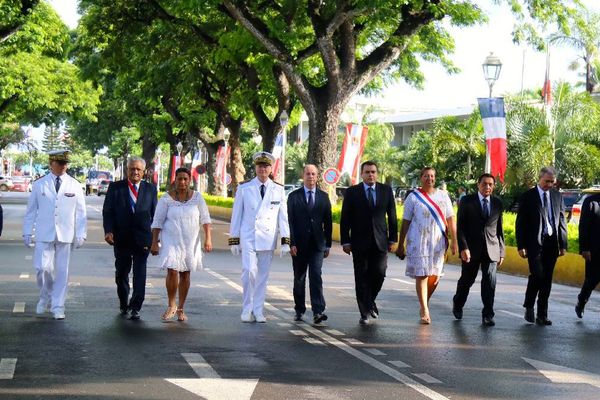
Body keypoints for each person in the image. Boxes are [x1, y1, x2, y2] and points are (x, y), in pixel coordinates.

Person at [23, 150, 87, 320]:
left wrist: (81, 233)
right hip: (44, 232)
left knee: (62, 272)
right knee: (42, 269)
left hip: (65, 233)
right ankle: (46, 296)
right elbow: (31, 211)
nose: (63, 166)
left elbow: (81, 212)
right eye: (60, 163)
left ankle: (58, 305)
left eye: (65, 163)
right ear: (51, 163)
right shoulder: (39, 184)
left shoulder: (74, 185)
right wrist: (27, 231)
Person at [229, 151, 290, 323]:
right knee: (249, 271)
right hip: (249, 235)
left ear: (271, 169)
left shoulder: (278, 189)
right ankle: (246, 309)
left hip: (268, 237)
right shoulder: (244, 188)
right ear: (255, 168)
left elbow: (283, 217)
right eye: (260, 166)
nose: (263, 169)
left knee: (263, 276)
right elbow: (236, 214)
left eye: (266, 166)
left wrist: (285, 240)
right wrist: (234, 239)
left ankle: (258, 310)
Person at [396, 167, 457, 324]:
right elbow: (406, 221)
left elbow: (451, 219)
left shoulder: (443, 196)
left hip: (438, 242)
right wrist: (401, 243)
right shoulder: (413, 197)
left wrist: (454, 241)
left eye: (432, 176)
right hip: (418, 241)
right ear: (421, 178)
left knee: (434, 277)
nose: (429, 178)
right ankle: (424, 308)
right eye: (426, 176)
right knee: (422, 274)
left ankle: (425, 301)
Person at [150, 167, 212, 322]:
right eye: (179, 179)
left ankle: (181, 308)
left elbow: (205, 219)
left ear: (189, 180)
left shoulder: (197, 198)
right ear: (175, 180)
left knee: (185, 273)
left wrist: (208, 239)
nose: (182, 182)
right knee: (172, 271)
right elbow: (157, 222)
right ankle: (171, 305)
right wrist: (154, 243)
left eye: (185, 179)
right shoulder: (166, 198)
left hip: (190, 241)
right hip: (171, 240)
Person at [340, 161, 397, 325]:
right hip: (359, 242)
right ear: (362, 174)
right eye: (367, 172)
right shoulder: (352, 192)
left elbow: (392, 216)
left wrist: (393, 238)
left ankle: (370, 300)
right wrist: (345, 241)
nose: (370, 174)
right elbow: (345, 219)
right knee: (361, 277)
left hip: (380, 242)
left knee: (379, 273)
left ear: (377, 174)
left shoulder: (385, 190)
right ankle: (364, 311)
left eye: (373, 172)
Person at [102, 156, 157, 320]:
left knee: (140, 273)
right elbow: (108, 211)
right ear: (127, 170)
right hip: (121, 238)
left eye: (138, 169)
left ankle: (136, 306)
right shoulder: (115, 188)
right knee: (121, 273)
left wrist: (156, 239)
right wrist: (108, 231)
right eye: (132, 169)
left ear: (143, 171)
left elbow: (156, 215)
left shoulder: (150, 189)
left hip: (143, 238)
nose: (135, 172)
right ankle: (123, 302)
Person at [516, 166, 567, 326]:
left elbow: (561, 221)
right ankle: (529, 305)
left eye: (552, 182)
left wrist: (563, 244)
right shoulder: (528, 196)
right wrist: (521, 245)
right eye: (547, 181)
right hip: (534, 244)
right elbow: (521, 223)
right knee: (537, 275)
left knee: (547, 280)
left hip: (552, 244)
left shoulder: (557, 196)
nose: (549, 184)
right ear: (540, 179)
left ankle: (542, 314)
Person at [452, 173, 505, 326]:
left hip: (492, 249)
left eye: (490, 184)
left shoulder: (497, 203)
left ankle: (488, 314)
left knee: (490, 282)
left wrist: (501, 251)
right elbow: (460, 227)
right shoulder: (467, 201)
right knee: (467, 280)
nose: (487, 187)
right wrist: (463, 247)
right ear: (478, 184)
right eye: (484, 184)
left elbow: (499, 228)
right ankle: (458, 303)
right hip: (471, 249)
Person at [287, 164, 332, 324]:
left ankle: (318, 311)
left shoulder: (323, 197)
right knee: (299, 278)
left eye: (313, 174)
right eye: (308, 174)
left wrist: (328, 245)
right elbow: (290, 222)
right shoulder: (294, 197)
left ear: (317, 176)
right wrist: (291, 243)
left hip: (317, 245)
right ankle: (299, 309)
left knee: (316, 276)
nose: (311, 176)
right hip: (298, 245)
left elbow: (328, 222)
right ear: (303, 175)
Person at [575, 191, 600, 318]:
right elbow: (583, 226)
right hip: (595, 251)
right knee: (591, 280)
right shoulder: (591, 202)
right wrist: (585, 248)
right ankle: (582, 301)